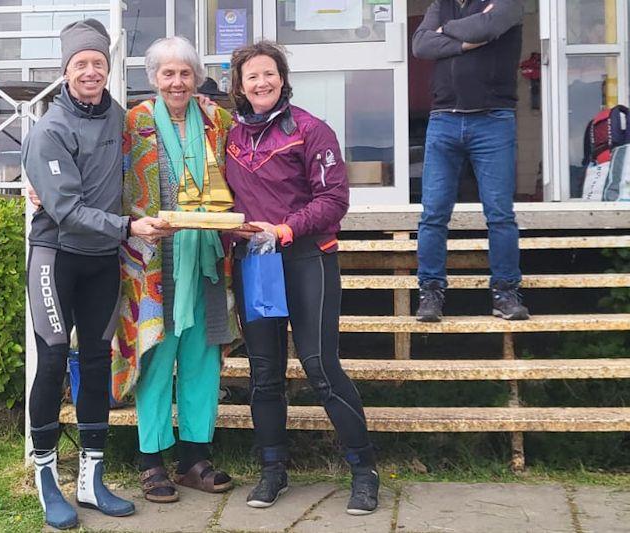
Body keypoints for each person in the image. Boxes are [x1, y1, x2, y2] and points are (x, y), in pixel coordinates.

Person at [22, 19, 169, 529]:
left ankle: (90, 479)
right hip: (56, 257)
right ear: (65, 71)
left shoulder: (121, 120)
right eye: (80, 63)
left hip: (103, 260)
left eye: (98, 63)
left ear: (108, 70)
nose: (90, 71)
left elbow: (148, 159)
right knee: (53, 358)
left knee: (97, 362)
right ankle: (46, 480)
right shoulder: (50, 128)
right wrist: (130, 226)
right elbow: (65, 209)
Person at [224, 40, 379, 515]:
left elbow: (335, 200)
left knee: (319, 366)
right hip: (254, 260)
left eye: (269, 73)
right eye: (252, 76)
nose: (261, 82)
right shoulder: (228, 136)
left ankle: (364, 471)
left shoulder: (312, 129)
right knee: (264, 373)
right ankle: (272, 471)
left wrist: (287, 228)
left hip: (307, 258)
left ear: (283, 78)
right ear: (240, 86)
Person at [114, 35, 239, 504]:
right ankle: (151, 461)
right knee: (155, 358)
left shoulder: (217, 120)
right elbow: (103, 170)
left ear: (197, 77)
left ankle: (194, 458)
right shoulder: (133, 122)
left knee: (201, 358)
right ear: (152, 79)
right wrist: (41, 186)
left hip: (206, 258)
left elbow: (241, 171)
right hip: (152, 262)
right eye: (167, 73)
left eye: (185, 73)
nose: (177, 81)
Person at [412, 0, 529, 322]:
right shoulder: (441, 4)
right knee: (433, 214)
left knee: (500, 214)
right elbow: (421, 45)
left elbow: (488, 27)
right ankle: (430, 292)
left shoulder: (508, 3)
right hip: (444, 120)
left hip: (493, 119)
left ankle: (505, 293)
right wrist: (468, 39)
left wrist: (446, 33)